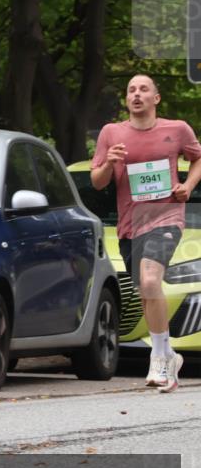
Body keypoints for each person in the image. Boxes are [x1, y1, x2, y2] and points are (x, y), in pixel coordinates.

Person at [91, 74, 201, 393]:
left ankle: (158, 358)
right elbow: (98, 182)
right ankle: (169, 354)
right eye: (131, 90)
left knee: (152, 280)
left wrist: (188, 186)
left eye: (144, 89)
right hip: (130, 224)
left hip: (167, 216)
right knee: (145, 291)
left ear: (156, 98)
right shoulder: (112, 133)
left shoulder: (177, 130)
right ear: (127, 100)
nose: (137, 94)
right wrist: (109, 163)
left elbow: (197, 158)